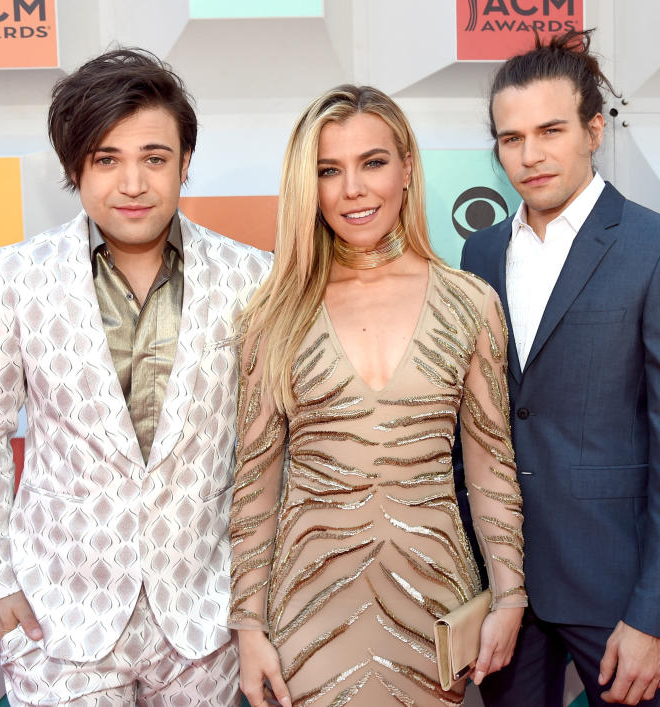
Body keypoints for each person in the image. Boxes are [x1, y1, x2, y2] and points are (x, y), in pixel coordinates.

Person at [0, 48, 272, 706]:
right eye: (107, 159)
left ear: (184, 163)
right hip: (58, 616)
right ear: (76, 168)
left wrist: (251, 597)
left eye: (154, 157)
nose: (133, 183)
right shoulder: (11, 278)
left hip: (202, 620)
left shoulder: (252, 276)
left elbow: (266, 450)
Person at [227, 84, 527, 707]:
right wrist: (248, 626)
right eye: (329, 171)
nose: (353, 190)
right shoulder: (272, 314)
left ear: (408, 168)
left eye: (373, 162)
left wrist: (510, 595)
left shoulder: (470, 303)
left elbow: (492, 466)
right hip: (306, 610)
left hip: (432, 602)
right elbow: (254, 481)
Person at [456, 29, 660, 706]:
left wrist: (656, 614)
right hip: (507, 586)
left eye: (550, 130)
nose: (530, 154)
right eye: (510, 138)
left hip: (619, 589)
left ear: (594, 129)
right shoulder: (478, 253)